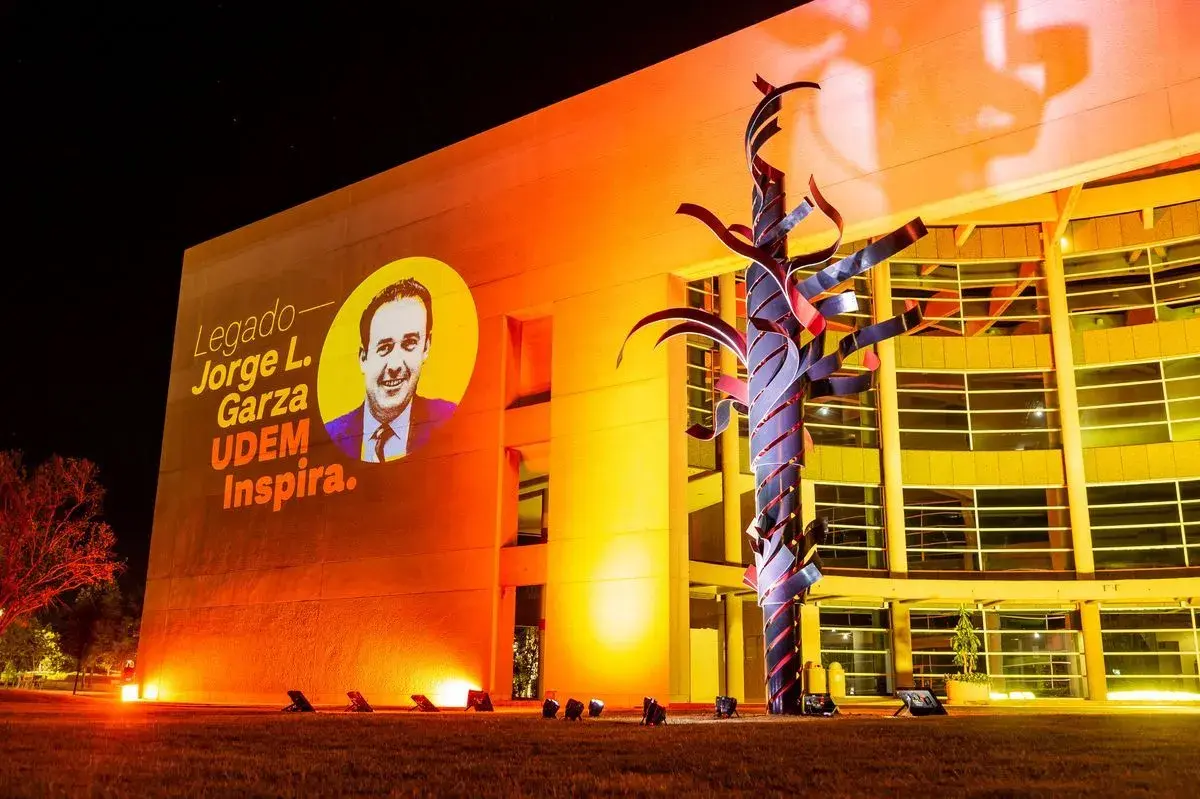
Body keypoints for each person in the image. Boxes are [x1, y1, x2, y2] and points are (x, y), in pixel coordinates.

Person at [325, 277, 457, 462]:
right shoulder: (329, 438)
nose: (395, 366)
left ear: (426, 347)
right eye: (384, 347)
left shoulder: (452, 420)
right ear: (363, 358)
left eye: (409, 343)